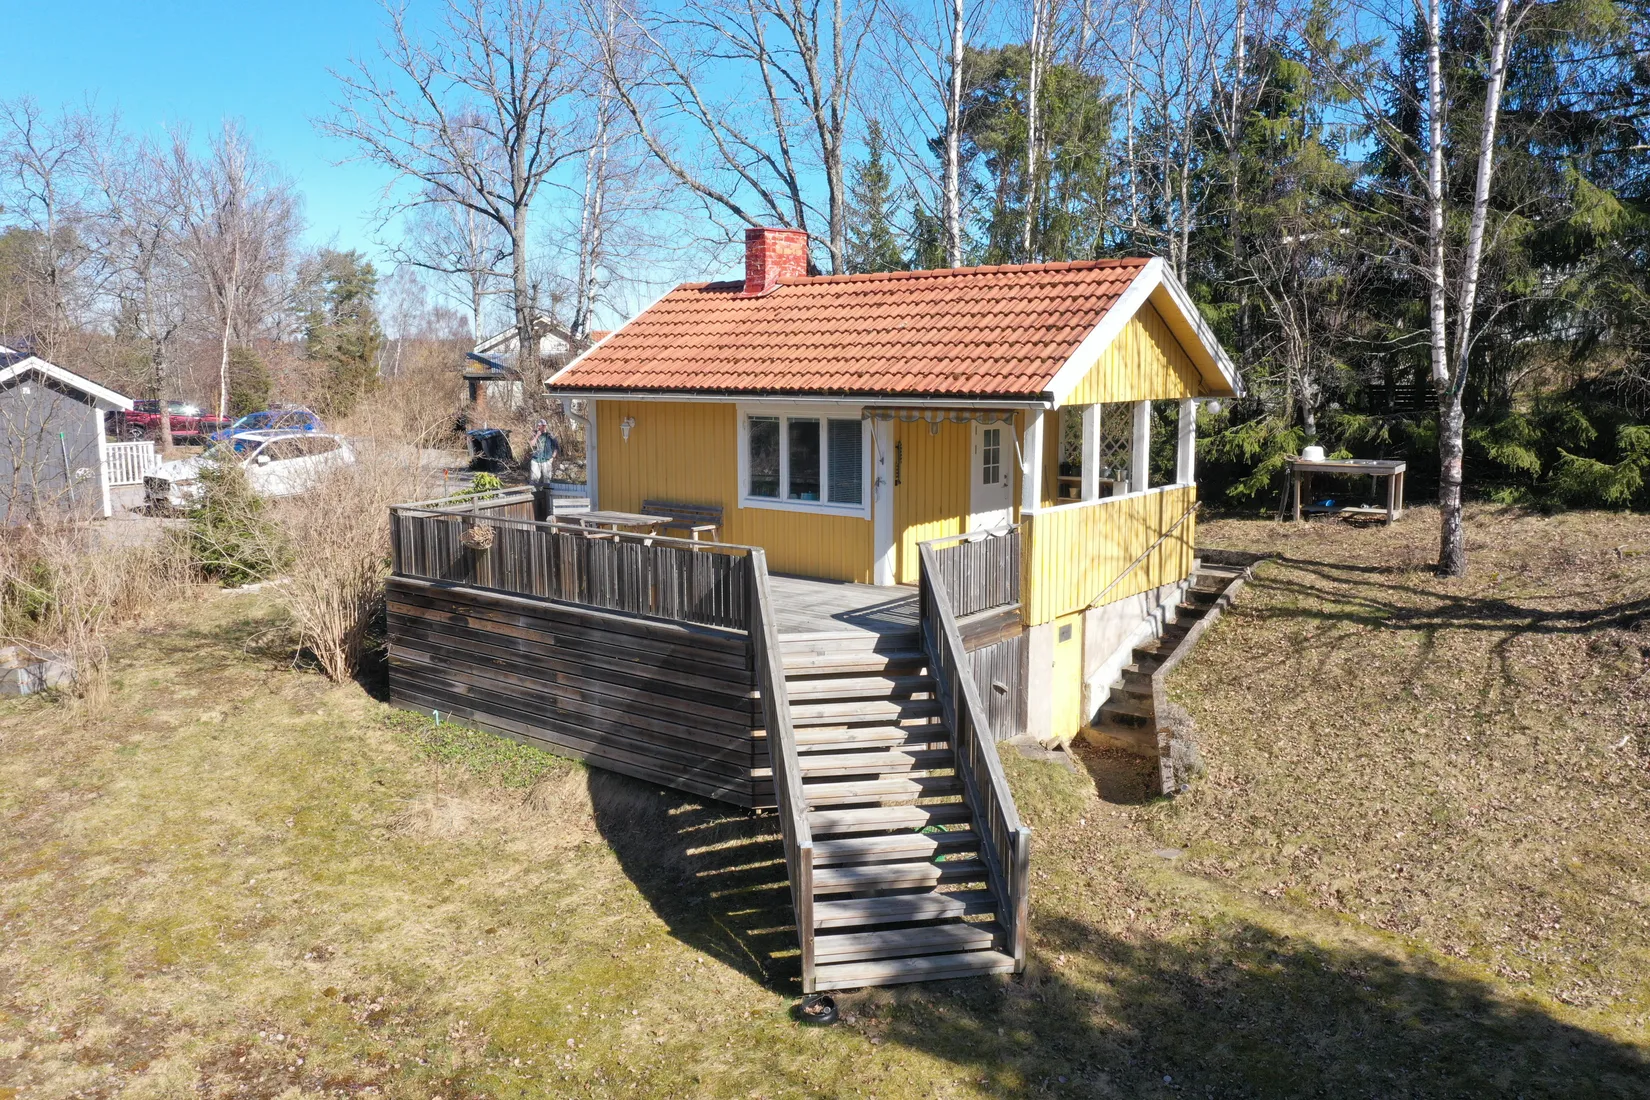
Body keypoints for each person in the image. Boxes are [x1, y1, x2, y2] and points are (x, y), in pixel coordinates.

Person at [528, 419, 560, 487]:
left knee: (547, 479)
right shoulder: (534, 434)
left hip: (546, 459)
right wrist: (537, 436)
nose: (539, 427)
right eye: (539, 426)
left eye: (541, 426)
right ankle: (535, 494)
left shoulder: (549, 435)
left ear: (545, 426)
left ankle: (547, 495)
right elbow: (531, 444)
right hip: (535, 459)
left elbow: (556, 445)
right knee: (534, 479)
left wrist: (553, 456)